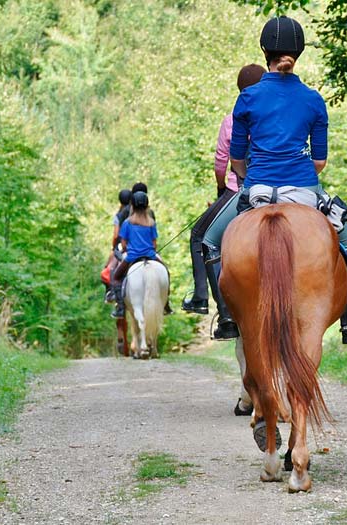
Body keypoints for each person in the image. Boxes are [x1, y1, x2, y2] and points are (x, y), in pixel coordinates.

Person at [202, 16, 347, 344]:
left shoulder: (248, 97)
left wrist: (251, 177)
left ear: (265, 50)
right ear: (299, 52)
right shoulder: (313, 99)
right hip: (305, 189)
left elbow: (236, 160)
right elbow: (319, 161)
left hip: (258, 188)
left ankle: (227, 317)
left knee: (209, 241)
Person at [182, 64, 266, 340]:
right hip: (286, 186)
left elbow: (223, 162)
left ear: (240, 90)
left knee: (201, 237)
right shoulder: (274, 115)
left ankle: (213, 306)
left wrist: (222, 186)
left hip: (241, 189)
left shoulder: (233, 119)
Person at [110, 191, 170, 319]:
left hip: (132, 257)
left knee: (115, 277)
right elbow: (154, 244)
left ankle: (120, 307)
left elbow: (124, 243)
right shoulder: (151, 222)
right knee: (166, 273)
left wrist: (129, 249)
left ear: (132, 205)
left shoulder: (127, 223)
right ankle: (166, 304)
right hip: (151, 255)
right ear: (147, 206)